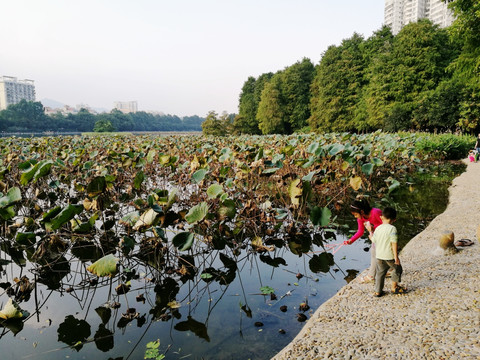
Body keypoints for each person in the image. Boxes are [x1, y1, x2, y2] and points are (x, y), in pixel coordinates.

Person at [369, 206, 406, 297]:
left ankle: (378, 291)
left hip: (379, 256)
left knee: (380, 273)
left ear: (381, 217)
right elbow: (394, 243)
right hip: (389, 256)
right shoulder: (392, 229)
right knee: (397, 269)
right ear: (394, 219)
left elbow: (374, 240)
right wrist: (396, 257)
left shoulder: (378, 228)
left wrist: (370, 233)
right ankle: (394, 287)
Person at [343, 199, 382, 283]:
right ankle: (388, 270)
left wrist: (372, 227)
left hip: (384, 235)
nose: (355, 216)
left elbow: (387, 223)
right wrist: (351, 240)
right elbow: (360, 231)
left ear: (361, 211)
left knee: (374, 252)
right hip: (375, 237)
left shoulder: (375, 212)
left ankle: (371, 276)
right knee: (376, 253)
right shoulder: (361, 218)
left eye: (355, 214)